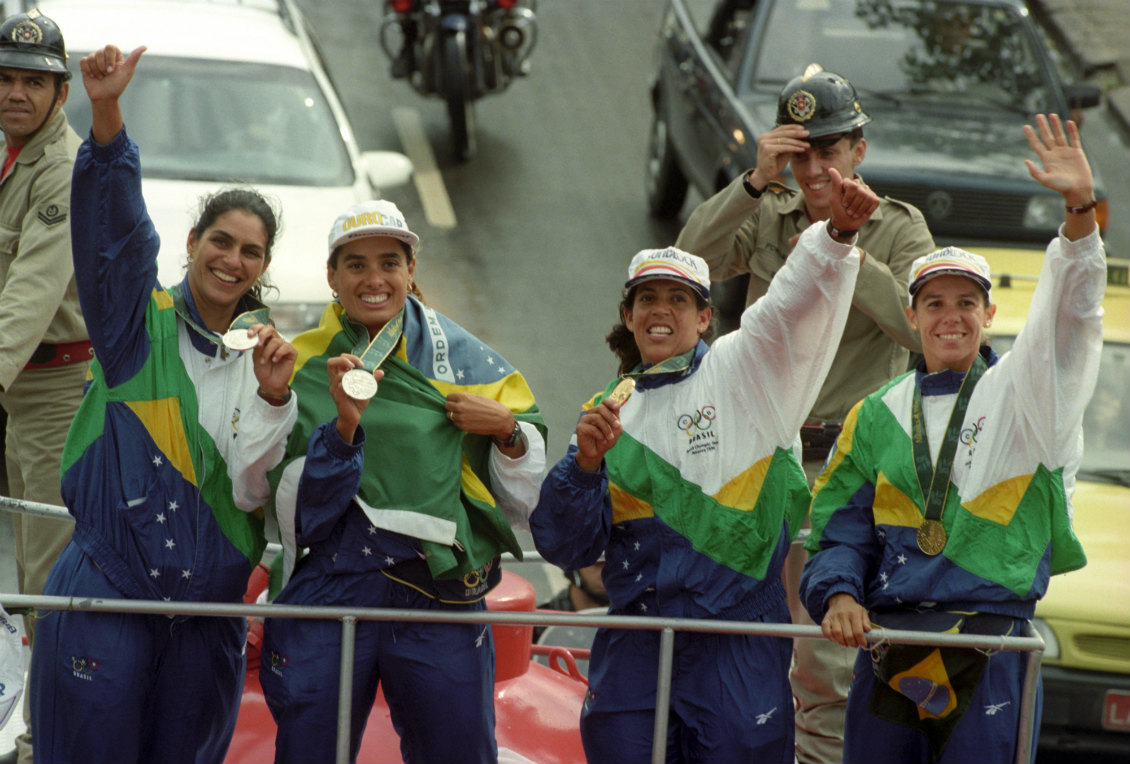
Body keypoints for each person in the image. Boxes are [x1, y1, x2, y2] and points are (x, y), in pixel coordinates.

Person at [530, 166, 876, 763]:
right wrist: (583, 468)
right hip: (636, 640)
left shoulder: (743, 374)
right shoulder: (608, 413)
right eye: (647, 299)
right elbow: (565, 547)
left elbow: (789, 309)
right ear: (631, 316)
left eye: (677, 300)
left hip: (735, 642)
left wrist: (834, 237)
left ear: (705, 317)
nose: (660, 311)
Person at [799, 113, 1102, 764]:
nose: (950, 316)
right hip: (890, 647)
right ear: (911, 317)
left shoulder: (1026, 399)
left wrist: (1079, 213)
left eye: (966, 302)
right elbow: (836, 530)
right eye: (934, 303)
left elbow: (1072, 319)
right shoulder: (876, 413)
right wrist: (841, 593)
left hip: (986, 646)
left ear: (989, 315)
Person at [28, 45, 298, 764]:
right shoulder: (133, 325)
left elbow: (261, 492)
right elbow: (112, 238)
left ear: (264, 267)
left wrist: (277, 401)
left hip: (206, 621)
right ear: (192, 243)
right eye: (220, 241)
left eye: (250, 251)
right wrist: (109, 115)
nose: (231, 259)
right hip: (107, 601)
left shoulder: (272, 361)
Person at [675, 65, 936, 764]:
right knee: (737, 637)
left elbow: (923, 328)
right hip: (759, 456)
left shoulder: (897, 228)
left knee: (824, 659)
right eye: (800, 154)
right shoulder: (770, 209)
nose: (814, 169)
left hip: (845, 466)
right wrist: (753, 182)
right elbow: (682, 263)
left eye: (827, 152)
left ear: (858, 151)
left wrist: (840, 250)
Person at [259, 199, 547, 764]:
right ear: (331, 277)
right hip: (333, 585)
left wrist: (509, 431)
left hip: (437, 595)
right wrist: (343, 429)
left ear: (411, 270)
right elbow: (287, 505)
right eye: (356, 264)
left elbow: (528, 493)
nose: (374, 279)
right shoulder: (304, 364)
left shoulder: (465, 359)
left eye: (389, 262)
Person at [0, 13, 85, 761]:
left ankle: (45, 738)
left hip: (57, 388)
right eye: (5, 79)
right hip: (16, 386)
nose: (16, 93)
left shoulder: (59, 168)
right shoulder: (11, 152)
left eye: (33, 81)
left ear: (61, 91)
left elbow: (29, 295)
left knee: (44, 573)